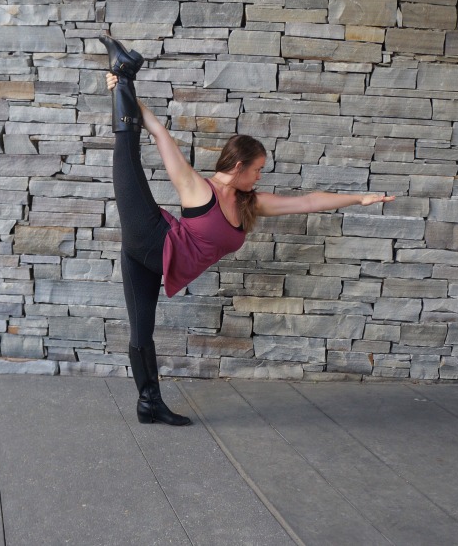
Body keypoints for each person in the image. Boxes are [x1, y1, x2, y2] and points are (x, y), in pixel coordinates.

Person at [99, 34, 395, 427]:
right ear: (238, 167)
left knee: (142, 332)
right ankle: (123, 71)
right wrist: (123, 91)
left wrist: (360, 199)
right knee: (128, 156)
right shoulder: (197, 189)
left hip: (154, 261)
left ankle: (148, 404)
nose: (259, 177)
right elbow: (159, 133)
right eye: (257, 169)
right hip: (150, 238)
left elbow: (307, 201)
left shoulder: (248, 204)